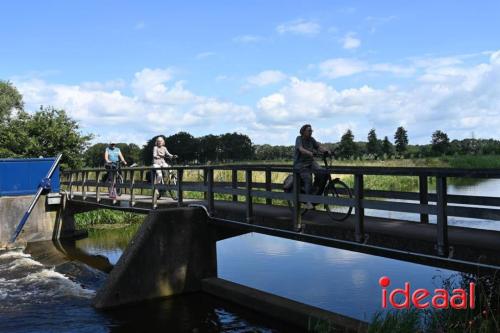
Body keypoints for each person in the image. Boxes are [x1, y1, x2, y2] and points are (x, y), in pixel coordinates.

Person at [293, 124, 330, 209]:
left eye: (311, 131)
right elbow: (300, 149)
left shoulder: (311, 139)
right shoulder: (299, 138)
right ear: (303, 131)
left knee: (322, 173)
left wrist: (327, 151)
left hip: (310, 162)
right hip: (300, 164)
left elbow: (318, 147)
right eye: (309, 131)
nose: (311, 132)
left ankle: (314, 191)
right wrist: (309, 152)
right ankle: (308, 201)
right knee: (308, 179)